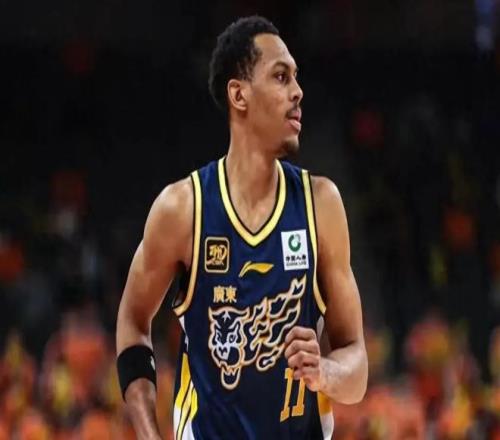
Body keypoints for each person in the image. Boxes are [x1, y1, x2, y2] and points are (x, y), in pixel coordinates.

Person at [116, 15, 368, 440]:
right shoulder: (183, 209)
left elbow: (357, 369)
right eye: (281, 76)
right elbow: (132, 321)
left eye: (296, 77)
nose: (298, 91)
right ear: (239, 95)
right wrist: (148, 433)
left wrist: (325, 371)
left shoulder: (321, 205)